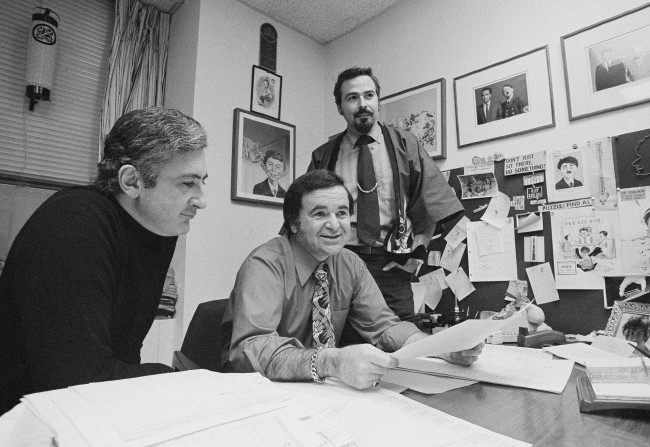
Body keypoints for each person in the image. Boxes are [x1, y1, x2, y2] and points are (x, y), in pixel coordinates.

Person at [0, 107, 208, 414]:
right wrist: (185, 382)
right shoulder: (74, 222)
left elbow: (124, 353)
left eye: (203, 181)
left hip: (81, 411)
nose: (202, 199)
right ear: (132, 182)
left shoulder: (157, 229)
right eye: (187, 183)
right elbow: (74, 382)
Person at [223, 170, 482, 389]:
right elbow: (251, 351)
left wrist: (440, 347)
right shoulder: (264, 264)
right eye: (320, 214)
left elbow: (384, 327)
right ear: (293, 223)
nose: (335, 225)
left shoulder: (349, 263)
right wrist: (330, 361)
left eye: (342, 213)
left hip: (322, 392)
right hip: (256, 392)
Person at [308, 67, 463, 327]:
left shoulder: (406, 144)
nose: (362, 104)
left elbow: (434, 201)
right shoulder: (323, 156)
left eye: (369, 95)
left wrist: (418, 253)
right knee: (340, 344)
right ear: (340, 107)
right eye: (352, 98)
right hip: (339, 263)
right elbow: (305, 215)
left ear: (378, 100)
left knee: (397, 343)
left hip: (392, 266)